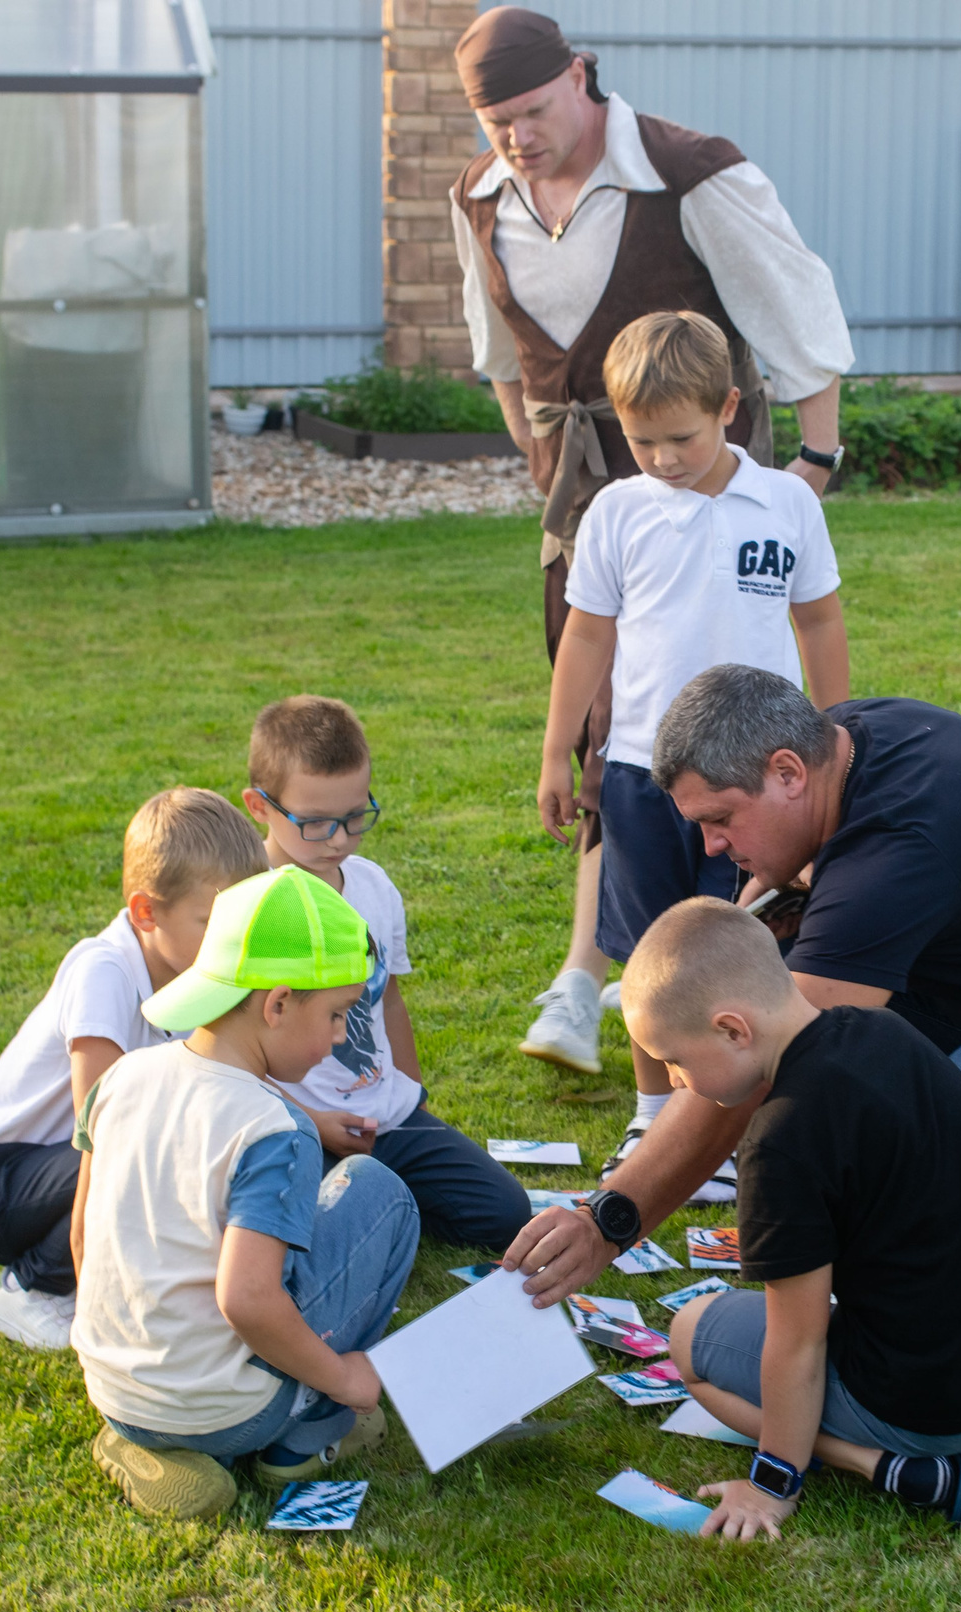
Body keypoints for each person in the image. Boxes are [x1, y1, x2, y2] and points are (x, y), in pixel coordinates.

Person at [507, 666, 961, 1359]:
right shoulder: (848, 738)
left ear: (788, 772)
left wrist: (611, 1219)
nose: (714, 845)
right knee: (876, 1053)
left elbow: (762, 1063)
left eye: (722, 817)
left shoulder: (898, 845)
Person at [446, 7, 856, 1084]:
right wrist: (543, 466)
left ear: (580, 77)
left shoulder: (690, 172)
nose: (517, 137)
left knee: (722, 774)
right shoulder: (481, 195)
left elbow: (797, 309)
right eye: (496, 121)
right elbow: (500, 353)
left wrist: (813, 465)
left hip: (725, 468)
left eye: (533, 111)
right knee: (616, 737)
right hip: (587, 492)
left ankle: (642, 987)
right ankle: (600, 975)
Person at [622, 898, 961, 1539]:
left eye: (674, 1059)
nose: (676, 1082)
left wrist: (771, 1486)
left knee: (689, 1336)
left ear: (733, 1029)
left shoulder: (780, 1140)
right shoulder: (885, 1029)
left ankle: (899, 1468)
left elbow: (798, 1345)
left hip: (933, 1402)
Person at [538, 309, 848, 1201]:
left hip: (753, 781)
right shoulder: (616, 511)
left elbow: (819, 621)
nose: (663, 458)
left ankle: (735, 1117)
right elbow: (586, 637)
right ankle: (652, 1114)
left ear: (729, 408)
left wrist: (833, 740)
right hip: (642, 776)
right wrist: (559, 752)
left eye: (681, 437)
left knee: (743, 939)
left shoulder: (787, 503)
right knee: (650, 946)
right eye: (642, 442)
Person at [75, 865, 417, 1524]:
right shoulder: (275, 1128)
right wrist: (347, 1379)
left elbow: (83, 1236)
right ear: (277, 1004)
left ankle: (138, 1436)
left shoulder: (120, 1077)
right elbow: (247, 1298)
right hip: (233, 1411)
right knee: (381, 1192)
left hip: (113, 1385)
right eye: (337, 1013)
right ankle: (307, 1430)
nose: (341, 1035)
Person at [0, 786, 265, 1352]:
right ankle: (31, 1286)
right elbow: (104, 1127)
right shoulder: (103, 969)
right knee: (152, 1157)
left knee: (183, 1151)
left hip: (75, 1162)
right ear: (145, 912)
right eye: (211, 923)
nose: (232, 945)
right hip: (2, 1189)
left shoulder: (196, 969)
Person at [242, 694, 531, 1251]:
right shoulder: (245, 905)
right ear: (259, 806)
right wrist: (312, 1120)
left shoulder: (372, 885)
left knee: (506, 1213)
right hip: (294, 1128)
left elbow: (389, 999)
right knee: (310, 1237)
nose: (339, 840)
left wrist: (410, 1094)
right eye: (316, 823)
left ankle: (386, 1206)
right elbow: (223, 1055)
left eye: (355, 817)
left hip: (386, 1118)